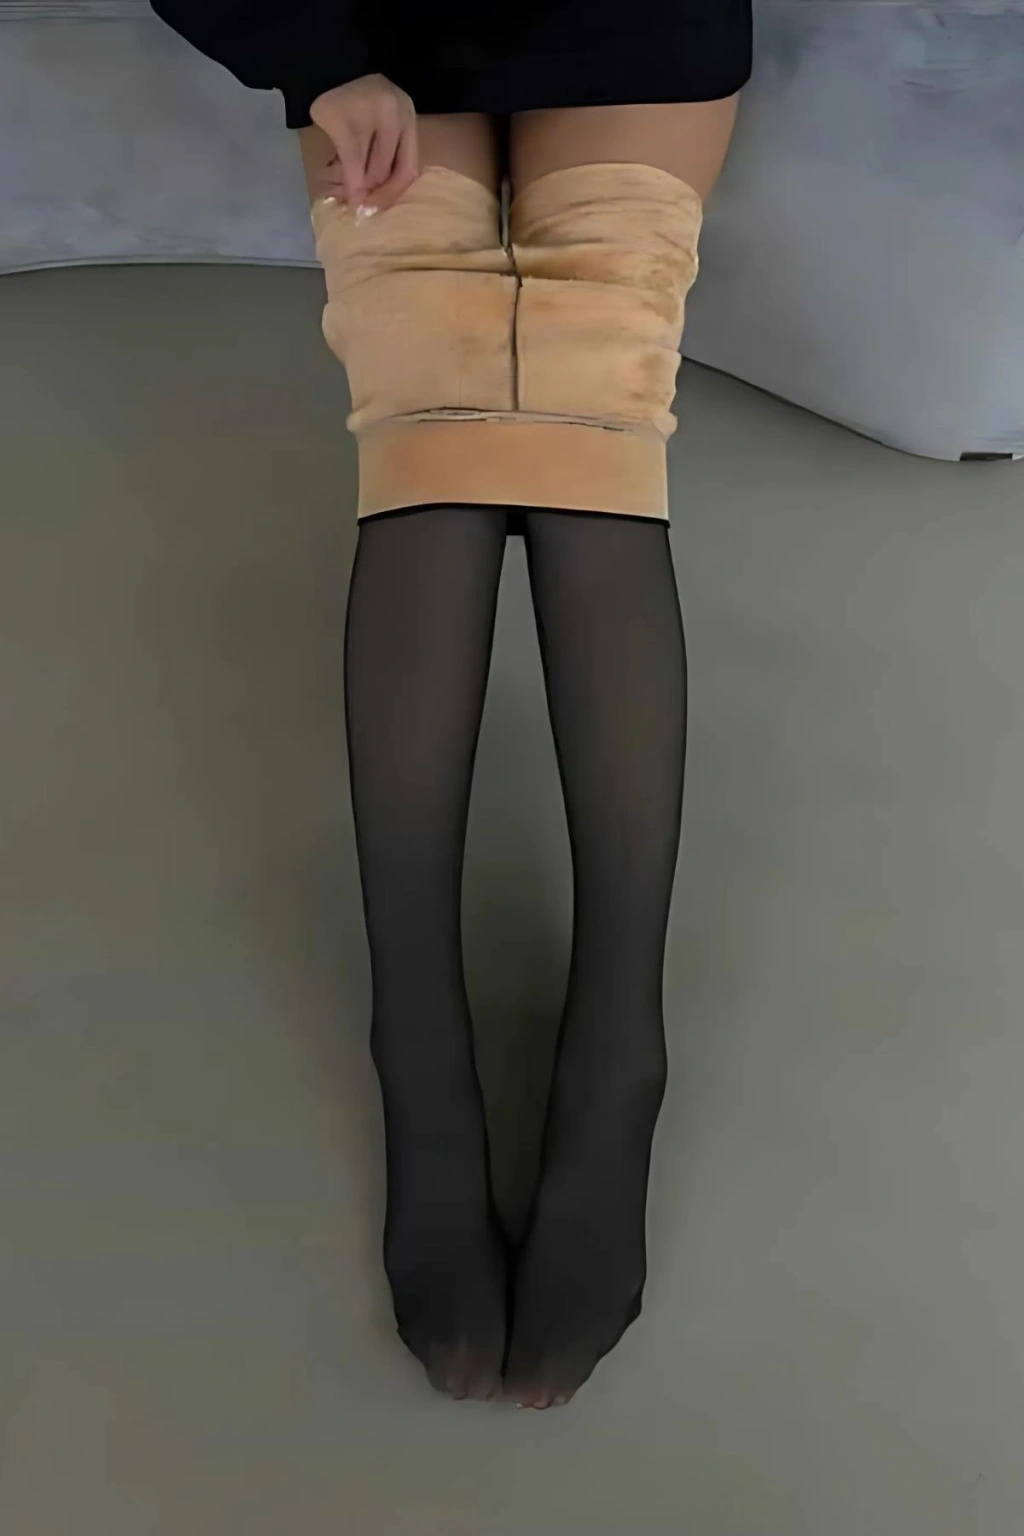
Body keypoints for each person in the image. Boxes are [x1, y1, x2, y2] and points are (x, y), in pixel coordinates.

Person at [150, 0, 752, 1408]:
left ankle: (619, 1050)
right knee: (428, 392)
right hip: (370, 21)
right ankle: (418, 1043)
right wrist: (307, 52)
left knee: (596, 393)